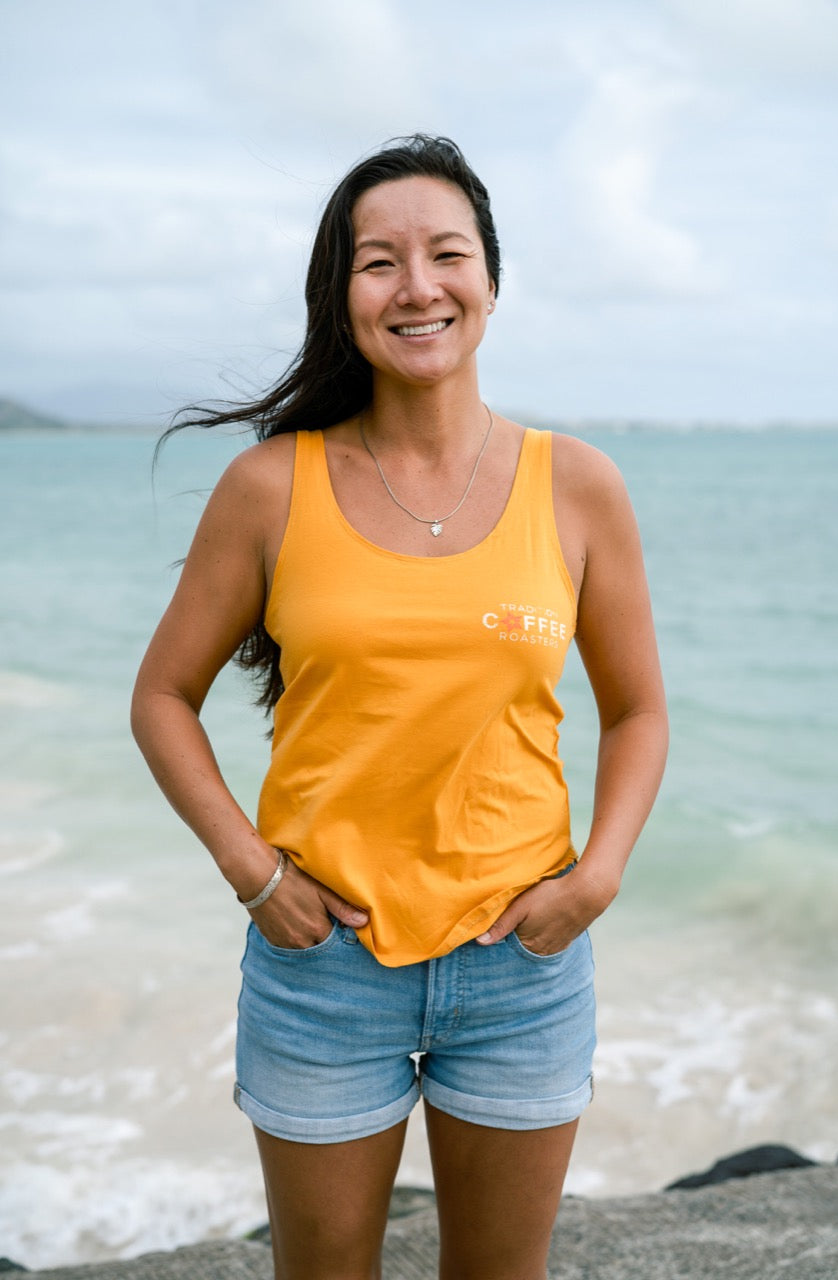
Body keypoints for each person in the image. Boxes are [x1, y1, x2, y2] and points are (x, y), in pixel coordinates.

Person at [131, 133, 668, 1280]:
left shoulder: (575, 484)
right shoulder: (271, 485)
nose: (417, 286)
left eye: (446, 254)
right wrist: (254, 871)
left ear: (489, 280)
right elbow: (163, 696)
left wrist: (598, 875)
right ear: (342, 296)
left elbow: (636, 713)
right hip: (324, 964)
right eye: (380, 261)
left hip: (521, 959)